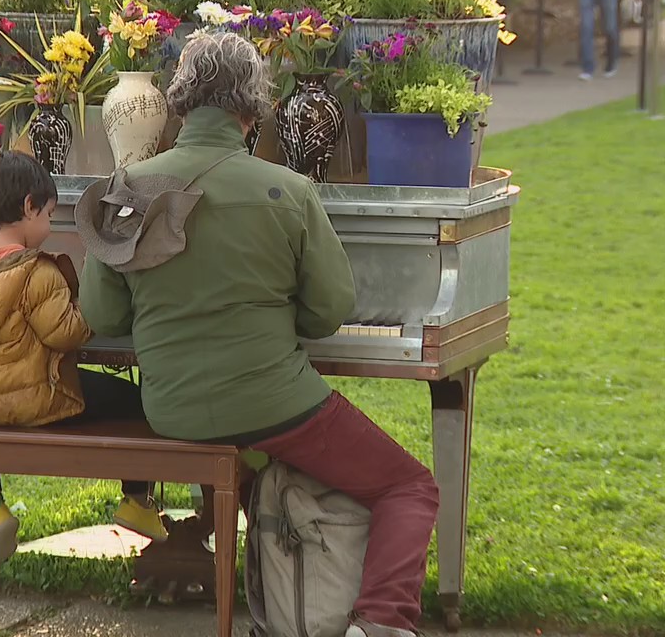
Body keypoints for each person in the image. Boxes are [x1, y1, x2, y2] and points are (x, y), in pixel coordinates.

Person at [74, 31, 440, 637]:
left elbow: (104, 317)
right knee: (408, 486)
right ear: (253, 109)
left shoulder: (130, 186)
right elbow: (328, 312)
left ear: (180, 101)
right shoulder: (289, 190)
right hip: (278, 407)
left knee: (261, 467)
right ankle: (379, 621)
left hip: (173, 408)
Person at [0, 151, 168, 568]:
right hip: (37, 401)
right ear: (29, 206)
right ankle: (137, 499)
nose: (49, 225)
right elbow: (65, 333)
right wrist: (91, 302)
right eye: (49, 214)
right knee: (133, 397)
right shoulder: (35, 272)